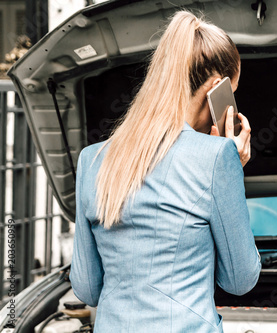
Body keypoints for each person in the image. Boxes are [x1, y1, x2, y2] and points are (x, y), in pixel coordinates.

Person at [69, 10, 261, 333]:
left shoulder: (91, 160)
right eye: (233, 93)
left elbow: (86, 289)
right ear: (218, 88)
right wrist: (231, 166)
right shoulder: (217, 158)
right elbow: (240, 280)